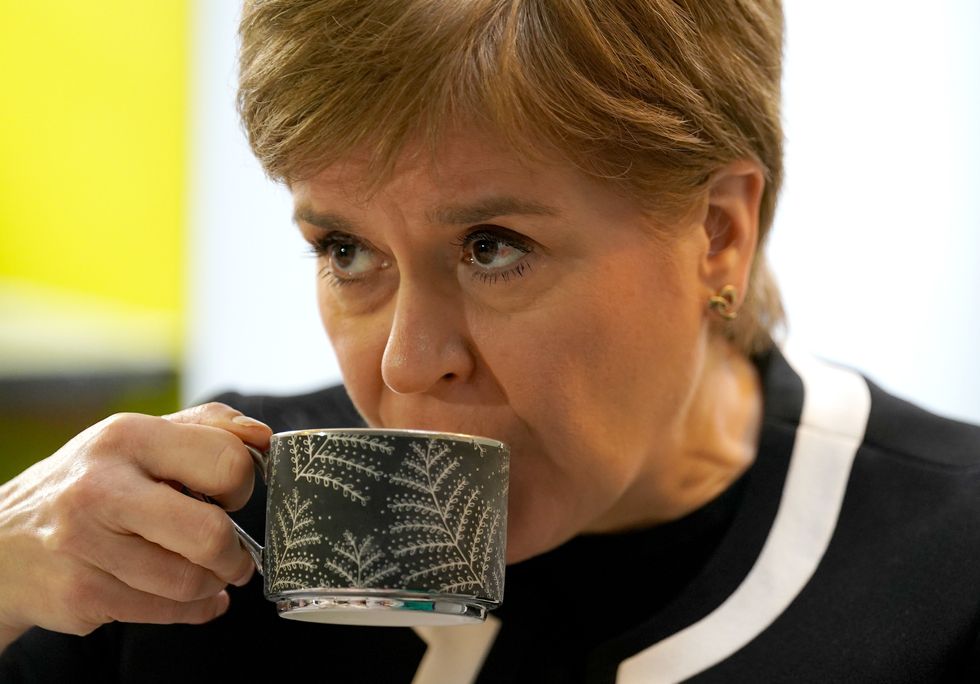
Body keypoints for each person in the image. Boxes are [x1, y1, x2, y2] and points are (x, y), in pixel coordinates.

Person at [2, 1, 979, 681]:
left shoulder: (948, 572)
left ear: (716, 234)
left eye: (491, 247)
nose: (403, 363)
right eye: (345, 249)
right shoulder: (191, 545)